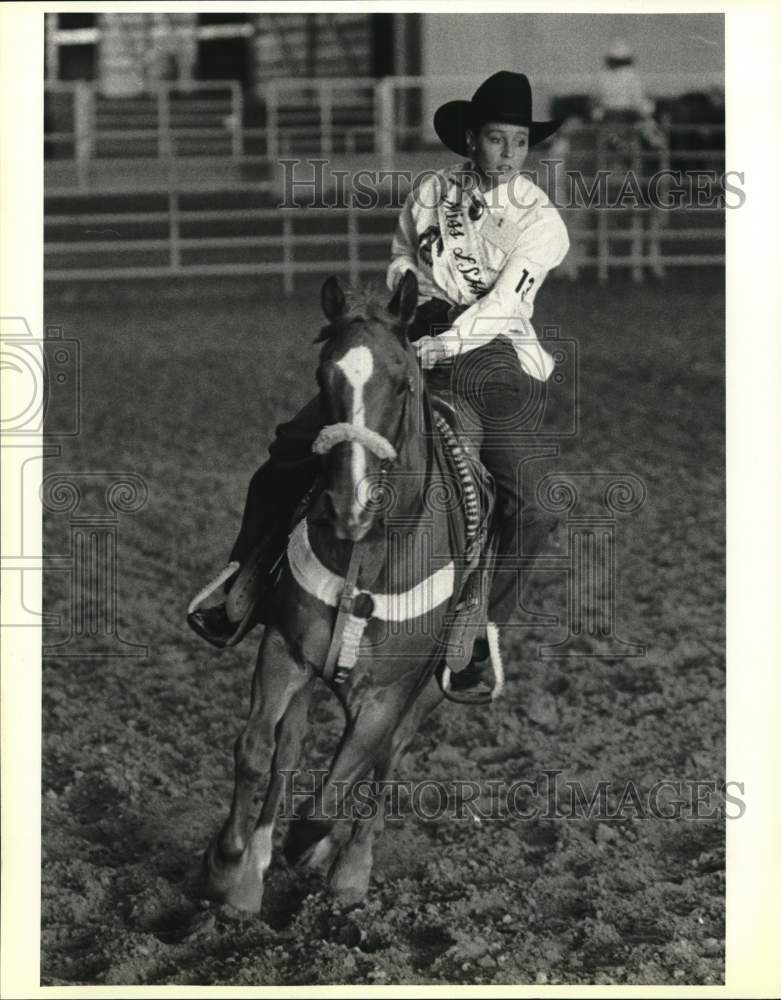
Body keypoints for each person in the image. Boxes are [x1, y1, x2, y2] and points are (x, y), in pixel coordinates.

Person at [188, 71, 570, 699]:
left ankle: (478, 636)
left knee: (536, 500)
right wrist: (409, 304)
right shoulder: (430, 192)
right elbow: (401, 257)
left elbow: (505, 305)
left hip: (488, 357)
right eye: (497, 140)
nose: (509, 155)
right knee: (291, 447)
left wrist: (440, 340)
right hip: (411, 338)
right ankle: (244, 581)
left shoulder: (542, 222)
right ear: (471, 139)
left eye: (521, 142)